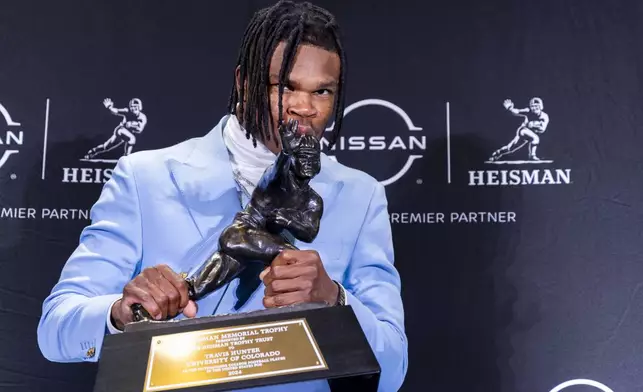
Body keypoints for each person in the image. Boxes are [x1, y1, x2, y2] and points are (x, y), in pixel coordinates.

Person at [37, 1, 408, 391]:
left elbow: (393, 367)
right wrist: (120, 313)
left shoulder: (360, 195)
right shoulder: (145, 177)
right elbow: (56, 329)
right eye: (285, 86)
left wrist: (334, 301)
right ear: (243, 81)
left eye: (322, 91)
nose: (304, 107)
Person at [489, 97, 550, 161]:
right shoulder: (528, 111)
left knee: (510, 148)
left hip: (530, 133)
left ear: (540, 106)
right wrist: (510, 108)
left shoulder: (544, 116)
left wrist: (535, 125)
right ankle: (532, 155)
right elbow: (517, 111)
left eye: (536, 106)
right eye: (532, 106)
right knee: (536, 138)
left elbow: (542, 129)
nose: (534, 108)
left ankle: (497, 153)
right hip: (523, 131)